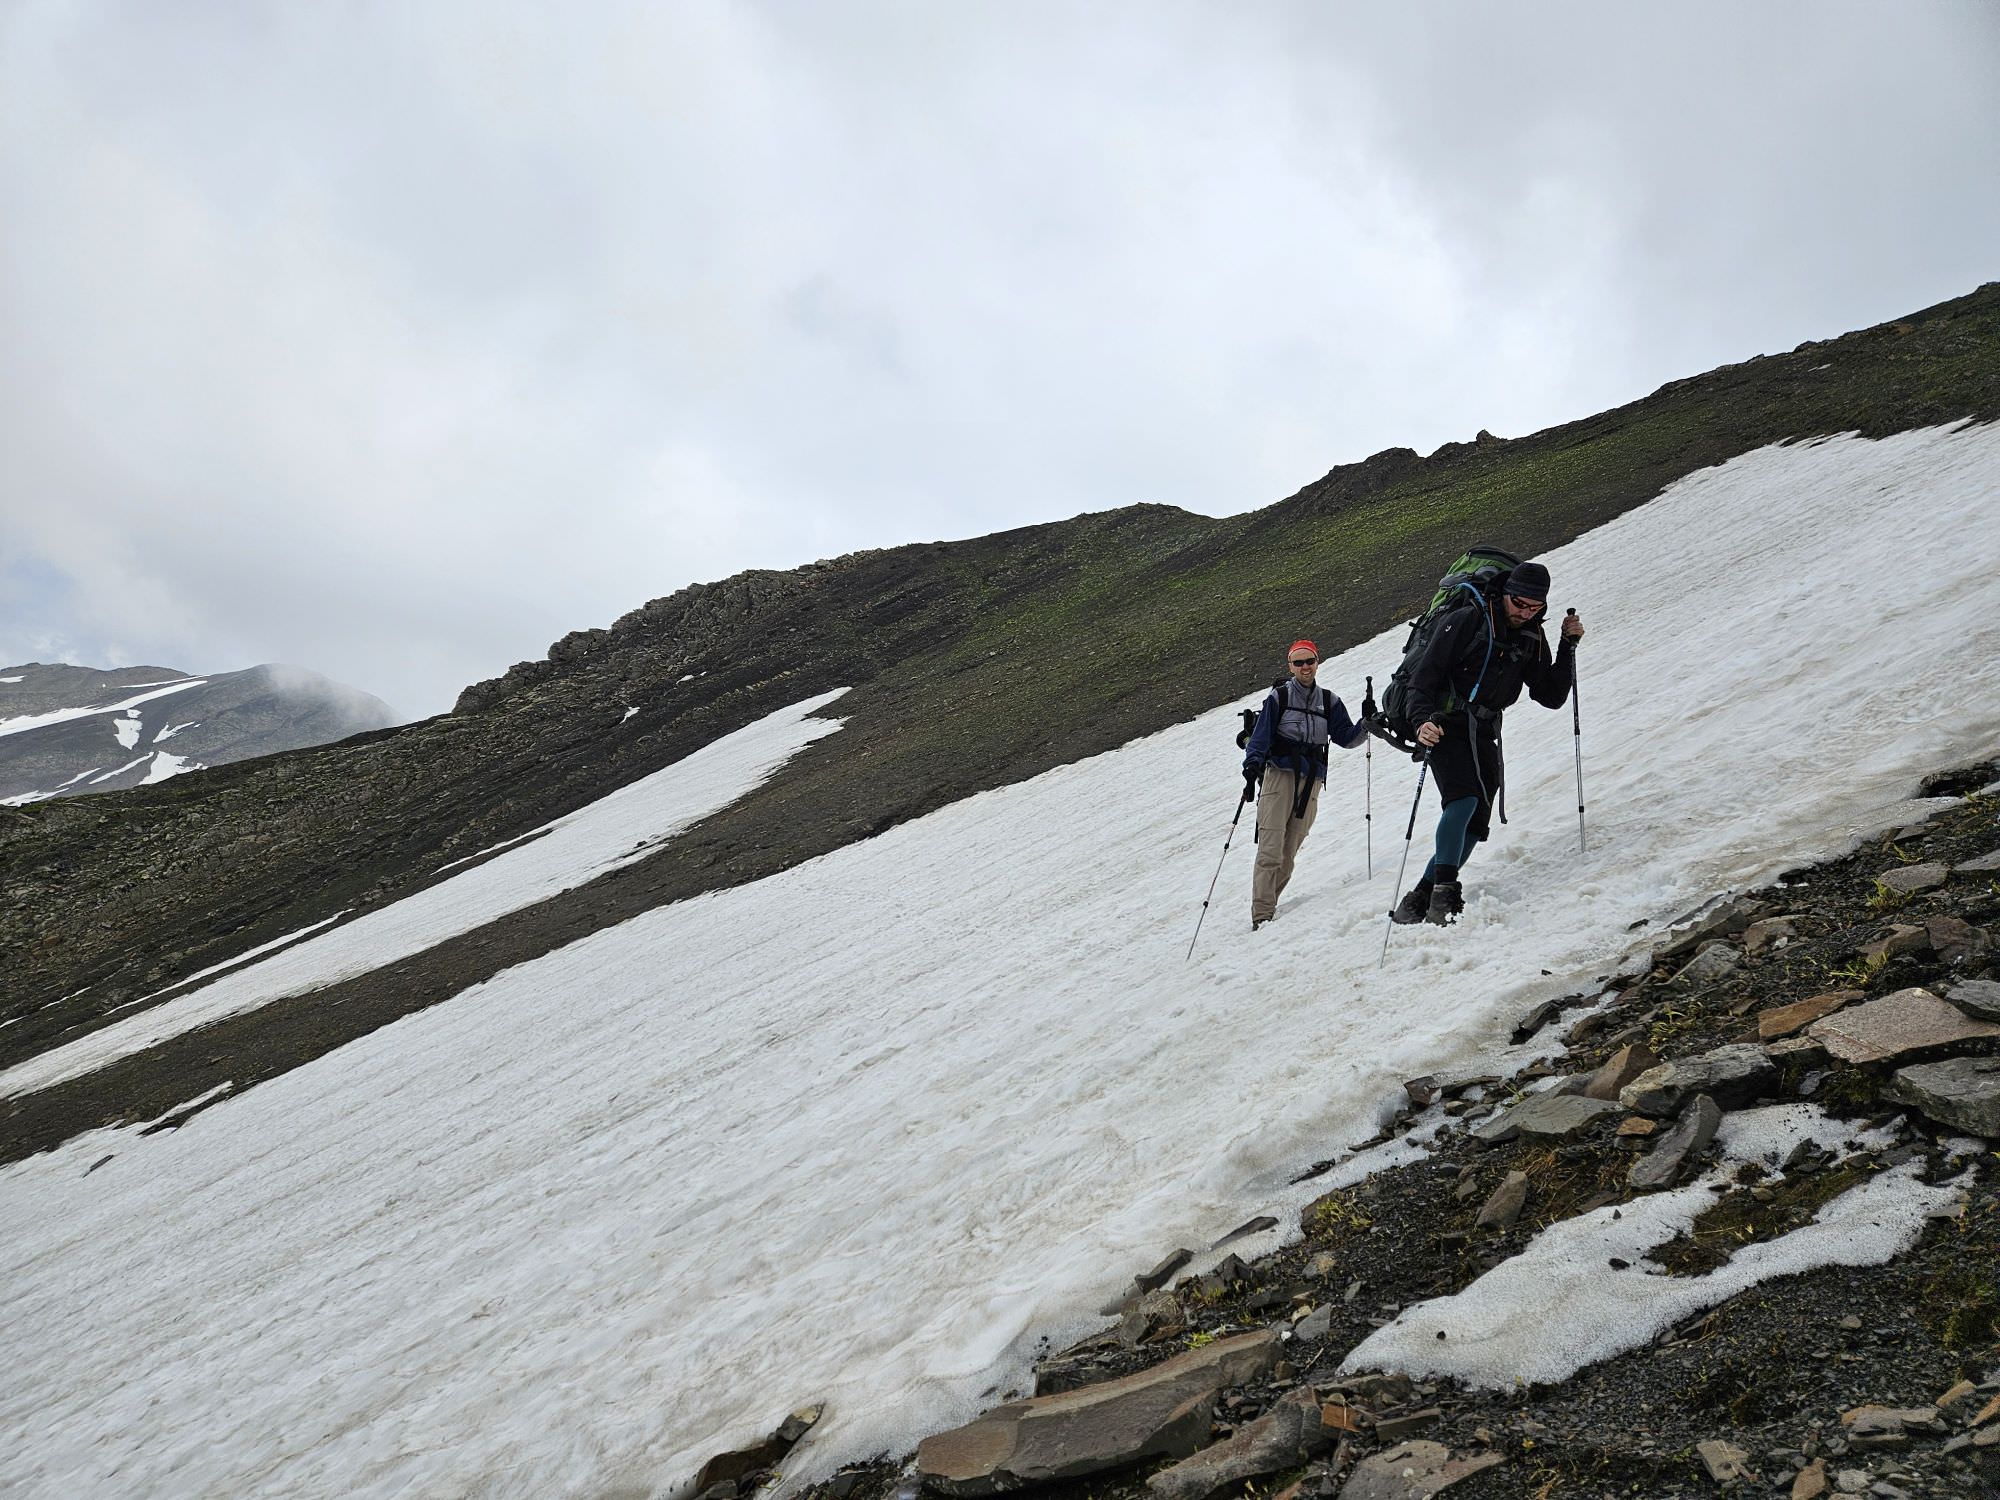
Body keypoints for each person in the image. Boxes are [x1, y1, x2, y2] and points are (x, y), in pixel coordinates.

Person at [1392, 561, 1585, 926]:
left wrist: (1567, 645)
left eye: (1535, 608)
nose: (1525, 613)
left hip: (1482, 729)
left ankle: (1419, 897)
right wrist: (1421, 722)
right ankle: (1444, 895)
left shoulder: (1529, 634)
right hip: (1444, 722)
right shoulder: (1467, 618)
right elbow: (1423, 677)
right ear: (1506, 593)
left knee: (1477, 823)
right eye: (1519, 604)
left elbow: (1550, 695)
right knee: (1462, 799)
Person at [1241, 639, 1369, 929]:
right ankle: (1262, 915)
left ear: (1317, 662)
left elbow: (1346, 738)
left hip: (1311, 781)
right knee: (1271, 847)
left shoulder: (1330, 701)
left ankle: (1268, 905)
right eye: (1298, 663)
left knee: (1290, 849)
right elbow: (1260, 738)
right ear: (1290, 666)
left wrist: (1367, 723)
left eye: (1309, 661)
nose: (1304, 667)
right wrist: (1251, 768)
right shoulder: (1279, 699)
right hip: (1280, 776)